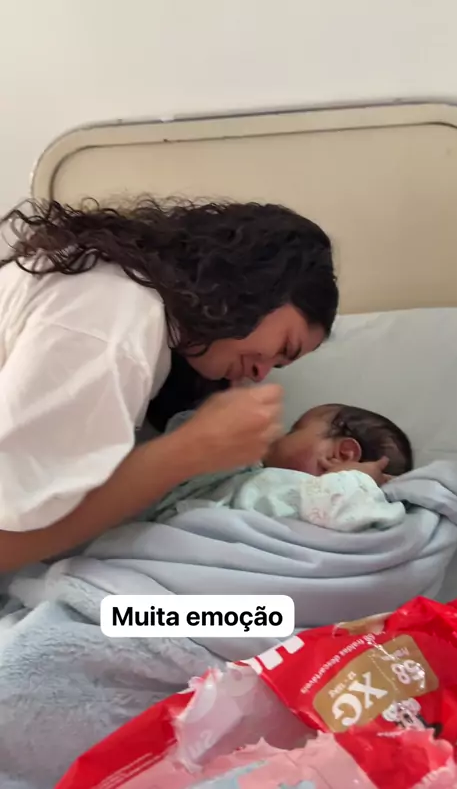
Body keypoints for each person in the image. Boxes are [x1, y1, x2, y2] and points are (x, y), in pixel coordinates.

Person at [0, 197, 338, 572]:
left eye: (278, 366)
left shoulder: (129, 305)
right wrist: (185, 452)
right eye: (282, 349)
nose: (261, 374)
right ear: (260, 285)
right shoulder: (112, 318)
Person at [154, 403, 413, 532]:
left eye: (294, 430)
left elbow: (349, 507)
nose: (281, 436)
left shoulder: (331, 495)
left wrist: (357, 478)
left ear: (339, 455)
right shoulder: (256, 473)